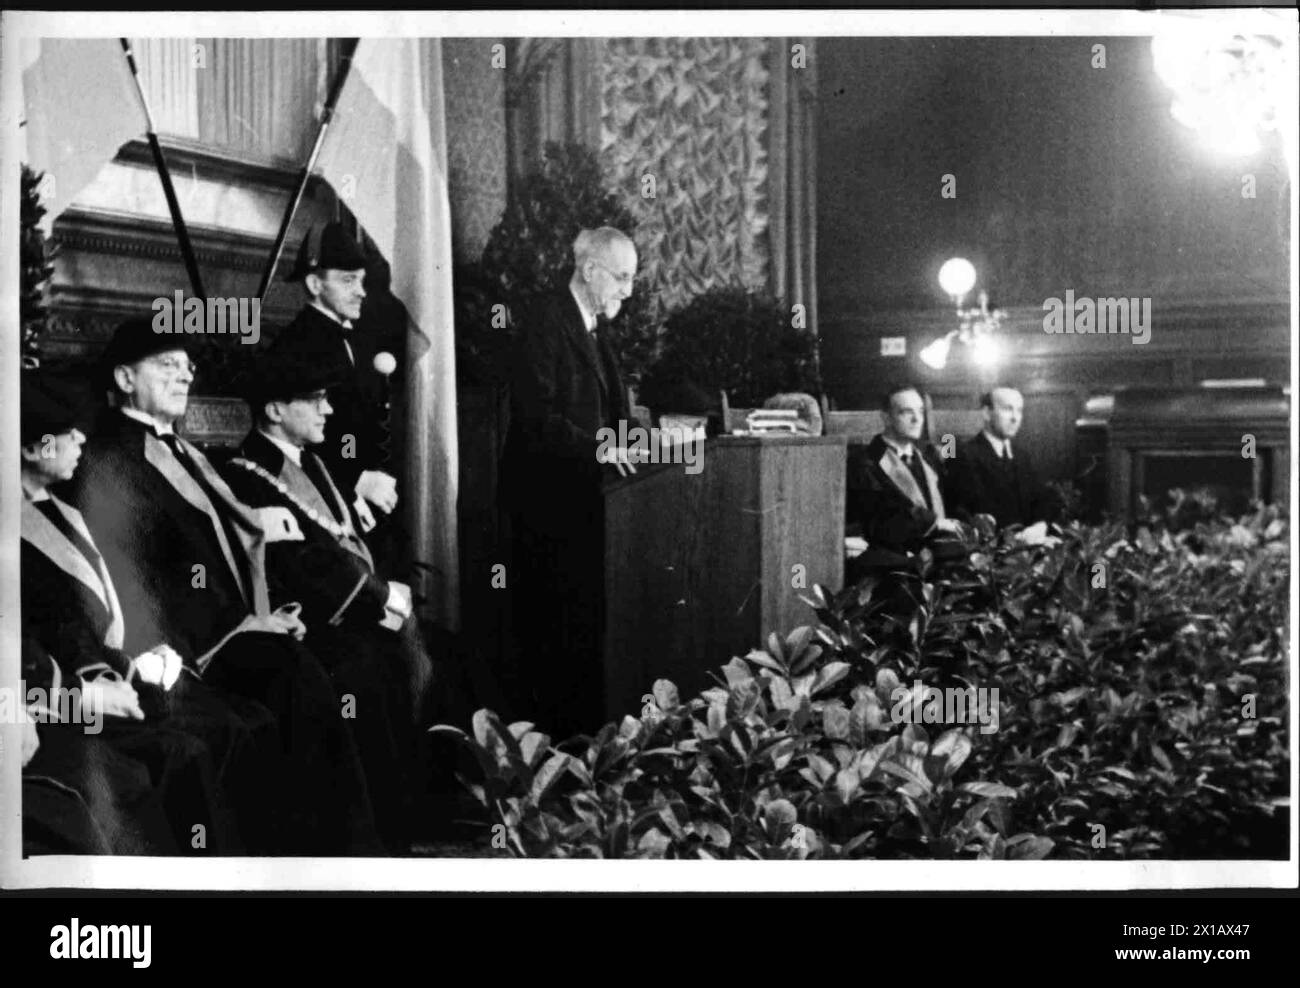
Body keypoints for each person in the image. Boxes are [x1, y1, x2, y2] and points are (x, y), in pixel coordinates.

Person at [64, 317, 383, 855]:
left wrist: (268, 610)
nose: (184, 375)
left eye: (187, 366)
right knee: (295, 681)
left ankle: (340, 854)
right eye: (166, 365)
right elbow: (138, 574)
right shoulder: (107, 458)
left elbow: (227, 544)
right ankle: (336, 859)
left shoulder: (187, 452)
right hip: (182, 642)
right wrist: (238, 625)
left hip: (231, 621)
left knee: (336, 666)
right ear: (122, 378)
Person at [221, 345, 435, 851]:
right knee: (367, 670)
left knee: (445, 653)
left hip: (357, 608)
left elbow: (347, 540)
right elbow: (300, 567)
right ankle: (377, 835)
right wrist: (380, 600)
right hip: (314, 621)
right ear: (274, 410)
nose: (328, 411)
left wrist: (389, 596)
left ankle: (426, 814)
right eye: (314, 400)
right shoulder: (246, 472)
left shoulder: (315, 463)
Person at [20, 368, 239, 853]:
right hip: (46, 705)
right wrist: (95, 690)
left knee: (230, 721)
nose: (81, 438)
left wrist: (132, 664)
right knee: (179, 749)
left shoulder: (62, 510)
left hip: (98, 678)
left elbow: (86, 621)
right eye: (65, 431)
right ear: (32, 449)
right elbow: (35, 642)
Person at [501, 226, 642, 739]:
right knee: (553, 643)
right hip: (548, 511)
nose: (628, 291)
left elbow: (614, 412)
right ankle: (551, 755)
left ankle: (587, 749)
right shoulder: (543, 323)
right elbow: (538, 419)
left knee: (584, 640)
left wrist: (641, 443)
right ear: (589, 270)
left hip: (592, 507)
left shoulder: (598, 329)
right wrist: (603, 447)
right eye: (622, 278)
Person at [274, 222, 398, 538]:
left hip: (370, 498)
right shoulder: (295, 345)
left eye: (361, 281)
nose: (361, 291)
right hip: (326, 499)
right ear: (315, 284)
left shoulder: (355, 340)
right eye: (348, 281)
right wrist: (357, 480)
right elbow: (294, 434)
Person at [845, 384, 967, 584]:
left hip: (938, 560)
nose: (917, 419)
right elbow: (880, 518)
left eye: (920, 411)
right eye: (906, 412)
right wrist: (934, 523)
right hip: (893, 568)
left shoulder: (929, 459)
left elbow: (952, 502)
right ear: (886, 417)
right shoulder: (865, 462)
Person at [945, 387, 1058, 529]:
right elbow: (962, 514)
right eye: (1007, 409)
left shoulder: (1023, 456)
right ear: (987, 413)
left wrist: (1040, 525)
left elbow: (1043, 499)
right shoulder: (963, 455)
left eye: (1019, 410)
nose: (1015, 418)